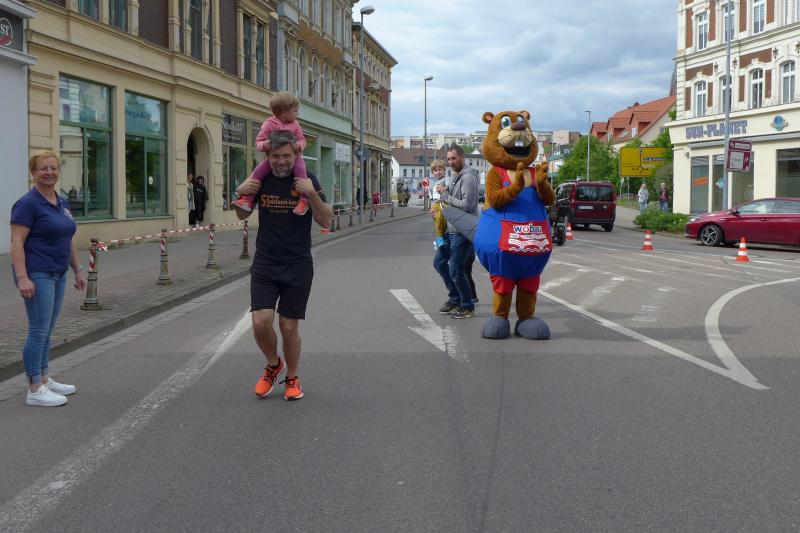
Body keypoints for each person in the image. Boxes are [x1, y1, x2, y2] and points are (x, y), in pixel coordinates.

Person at [235, 131, 333, 401]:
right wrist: (240, 192)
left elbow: (326, 221)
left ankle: (292, 377)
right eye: (276, 156)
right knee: (260, 321)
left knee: (289, 327)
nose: (281, 161)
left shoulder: (307, 179)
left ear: (296, 154)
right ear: (268, 155)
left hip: (297, 264)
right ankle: (273, 365)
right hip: (265, 262)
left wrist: (311, 194)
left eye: (286, 156)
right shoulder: (261, 179)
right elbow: (242, 213)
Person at [10, 150, 86, 407]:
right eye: (43, 168)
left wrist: (77, 269)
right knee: (38, 330)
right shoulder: (28, 203)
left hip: (58, 272)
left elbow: (68, 238)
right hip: (37, 273)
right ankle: (34, 388)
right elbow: (16, 242)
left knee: (47, 329)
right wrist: (22, 277)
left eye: (53, 168)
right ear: (33, 173)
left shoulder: (60, 202)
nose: (49, 172)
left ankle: (43, 378)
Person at [232, 91, 309, 216]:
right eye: (295, 111)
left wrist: (300, 145)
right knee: (257, 173)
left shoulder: (295, 124)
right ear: (284, 113)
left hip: (295, 157)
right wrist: (264, 145)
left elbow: (302, 140)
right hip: (270, 159)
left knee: (301, 171)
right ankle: (247, 199)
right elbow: (258, 142)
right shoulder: (268, 124)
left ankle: (304, 201)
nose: (298, 113)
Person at [435, 145, 479, 319]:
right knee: (439, 262)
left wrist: (446, 197)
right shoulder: (455, 176)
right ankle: (455, 298)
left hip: (463, 231)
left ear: (462, 157)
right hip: (451, 229)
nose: (451, 162)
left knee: (455, 270)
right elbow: (452, 202)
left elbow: (467, 205)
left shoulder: (468, 177)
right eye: (449, 159)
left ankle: (467, 306)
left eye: (454, 158)